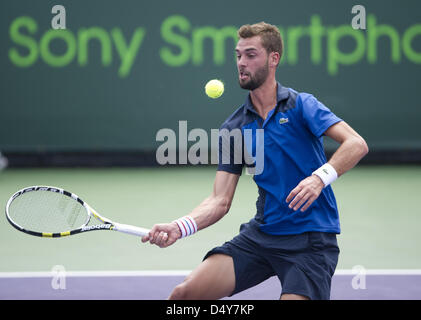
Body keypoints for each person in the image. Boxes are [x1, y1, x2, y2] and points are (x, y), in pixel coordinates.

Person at [142, 22, 368, 300]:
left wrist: (319, 178)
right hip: (261, 237)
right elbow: (219, 200)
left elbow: (356, 144)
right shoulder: (235, 127)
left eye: (251, 55)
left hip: (310, 240)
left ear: (274, 58)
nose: (241, 63)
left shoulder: (301, 105)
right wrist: (180, 226)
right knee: (185, 296)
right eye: (238, 55)